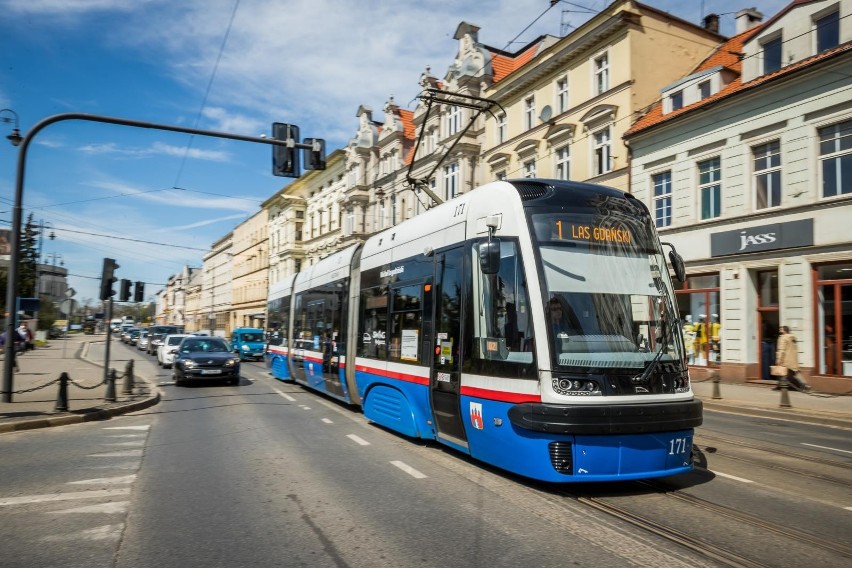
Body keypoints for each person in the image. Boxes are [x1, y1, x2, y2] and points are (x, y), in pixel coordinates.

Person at [774, 325, 812, 392]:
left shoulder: (783, 338)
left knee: (781, 372)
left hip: (786, 359)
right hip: (793, 358)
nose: (779, 329)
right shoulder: (793, 337)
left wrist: (779, 359)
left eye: (781, 329)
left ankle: (802, 386)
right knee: (795, 373)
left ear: (784, 330)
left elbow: (781, 350)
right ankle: (805, 385)